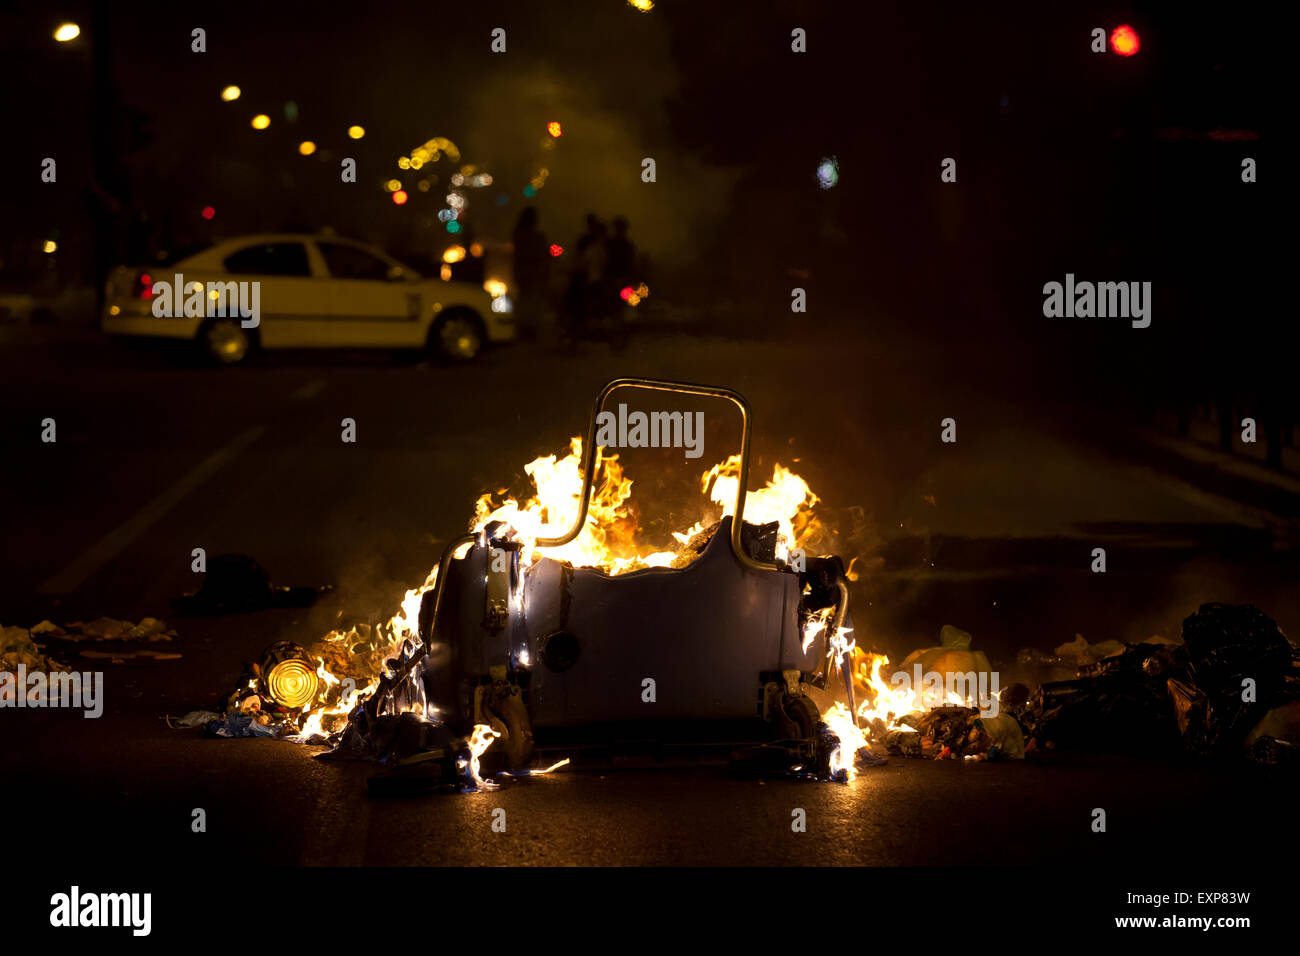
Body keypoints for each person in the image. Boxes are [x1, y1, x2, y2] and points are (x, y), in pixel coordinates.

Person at [510, 207, 550, 343]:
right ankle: (529, 330)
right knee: (531, 302)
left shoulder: (518, 235)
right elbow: (541, 256)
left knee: (525, 301)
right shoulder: (534, 237)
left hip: (524, 273)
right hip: (531, 273)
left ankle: (525, 329)